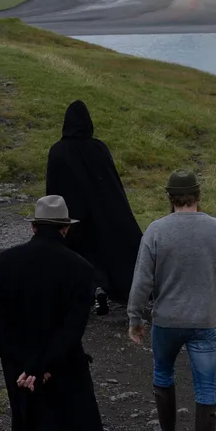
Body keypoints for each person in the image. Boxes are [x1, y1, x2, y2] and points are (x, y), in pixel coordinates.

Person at [0, 195, 112, 431]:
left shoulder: (4, 262)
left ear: (33, 226)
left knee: (31, 425)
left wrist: (26, 363)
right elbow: (72, 329)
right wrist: (42, 365)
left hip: (17, 366)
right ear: (65, 229)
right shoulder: (80, 269)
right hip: (61, 365)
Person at [127, 169, 216, 431]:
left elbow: (142, 281)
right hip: (206, 321)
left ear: (170, 197)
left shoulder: (156, 231)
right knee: (205, 387)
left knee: (163, 372)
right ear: (198, 196)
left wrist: (135, 317)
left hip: (167, 321)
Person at [45, 100, 143, 315]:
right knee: (107, 252)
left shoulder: (58, 151)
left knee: (78, 255)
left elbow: (52, 189)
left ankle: (90, 290)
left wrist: (52, 219)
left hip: (73, 217)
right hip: (103, 212)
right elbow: (113, 183)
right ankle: (113, 289)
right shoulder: (98, 148)